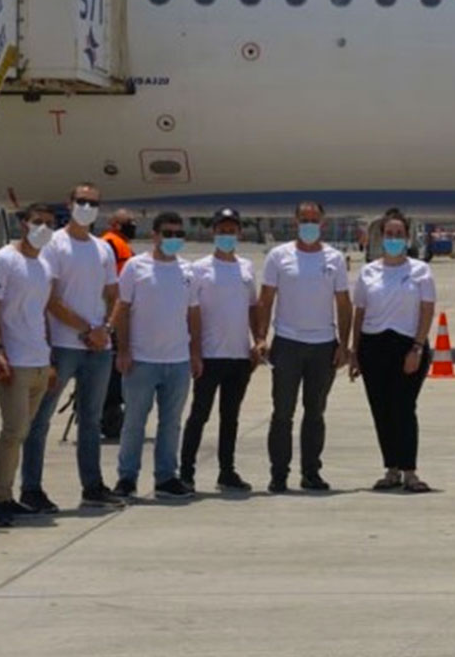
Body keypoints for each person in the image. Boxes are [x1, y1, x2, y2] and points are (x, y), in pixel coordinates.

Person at [23, 182, 125, 512]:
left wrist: (106, 329)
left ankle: (92, 486)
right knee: (41, 419)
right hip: (63, 345)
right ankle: (31, 488)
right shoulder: (54, 244)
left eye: (93, 203)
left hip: (98, 347)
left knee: (92, 420)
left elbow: (114, 295)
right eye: (82, 201)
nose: (87, 207)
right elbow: (50, 299)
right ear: (69, 203)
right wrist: (86, 330)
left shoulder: (102, 248)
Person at [255, 199, 352, 493]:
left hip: (323, 345)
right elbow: (266, 299)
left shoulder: (335, 258)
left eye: (314, 220)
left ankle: (311, 473)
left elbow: (343, 303)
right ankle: (279, 474)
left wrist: (344, 344)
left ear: (323, 223)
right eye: (304, 219)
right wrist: (261, 337)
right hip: (288, 343)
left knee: (315, 413)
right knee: (282, 413)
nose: (309, 225)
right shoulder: (278, 256)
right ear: (295, 222)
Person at [114, 212, 202, 500]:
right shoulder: (135, 267)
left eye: (179, 234)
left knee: (171, 423)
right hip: (142, 360)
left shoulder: (189, 271)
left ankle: (166, 477)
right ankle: (127, 477)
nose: (173, 239)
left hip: (177, 361)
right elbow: (122, 310)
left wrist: (195, 353)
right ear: (154, 235)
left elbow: (193, 314)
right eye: (168, 233)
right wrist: (123, 350)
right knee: (134, 422)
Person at [348, 208, 437, 493]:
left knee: (404, 408)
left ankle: (410, 471)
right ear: (381, 237)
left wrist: (417, 347)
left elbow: (427, 310)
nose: (394, 239)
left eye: (399, 234)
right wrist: (354, 352)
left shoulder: (420, 271)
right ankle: (391, 469)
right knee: (381, 410)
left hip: (407, 345)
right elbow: (359, 313)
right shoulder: (368, 272)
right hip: (373, 346)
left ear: (407, 237)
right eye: (389, 234)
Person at [0, 203, 59, 526]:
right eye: (37, 222)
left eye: (49, 223)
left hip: (38, 360)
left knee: (23, 432)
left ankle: (5, 494)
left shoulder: (44, 265)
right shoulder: (5, 259)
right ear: (23, 223)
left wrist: (49, 358)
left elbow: (41, 313)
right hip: (14, 361)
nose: (43, 228)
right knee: (13, 431)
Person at [179, 208, 259, 493]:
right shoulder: (198, 269)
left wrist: (258, 340)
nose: (227, 235)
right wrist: (194, 352)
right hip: (209, 356)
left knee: (230, 417)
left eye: (232, 230)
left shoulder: (247, 268)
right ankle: (186, 472)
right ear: (213, 232)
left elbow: (252, 307)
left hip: (239, 356)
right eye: (222, 230)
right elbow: (191, 312)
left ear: (239, 233)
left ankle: (227, 471)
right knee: (199, 415)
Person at [98, 208, 137, 440]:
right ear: (114, 224)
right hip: (115, 313)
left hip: (122, 310)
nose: (133, 226)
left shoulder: (121, 244)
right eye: (128, 222)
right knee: (112, 374)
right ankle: (108, 415)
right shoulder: (110, 244)